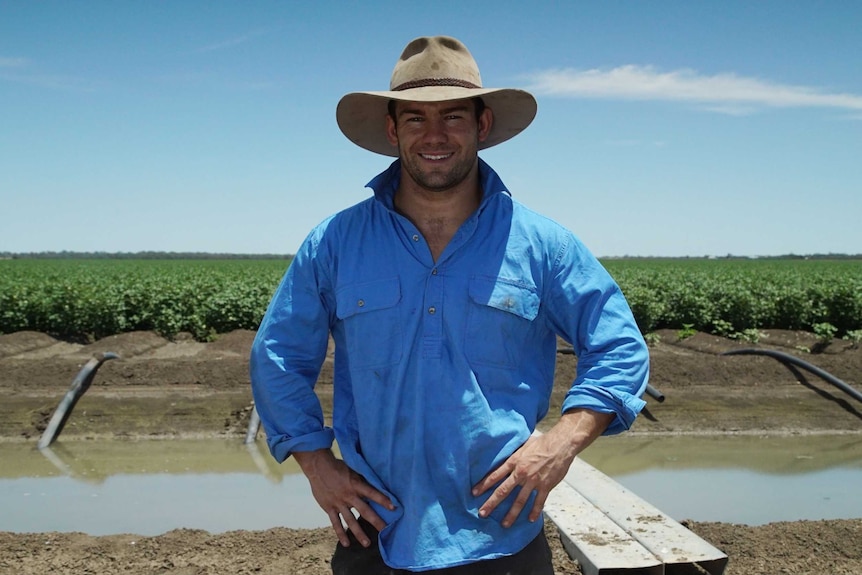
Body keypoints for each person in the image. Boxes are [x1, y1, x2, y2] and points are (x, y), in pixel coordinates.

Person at [250, 35, 649, 574]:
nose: (434, 136)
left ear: (482, 126)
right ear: (393, 130)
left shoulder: (541, 244)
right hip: (377, 533)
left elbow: (619, 347)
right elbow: (277, 357)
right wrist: (317, 465)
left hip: (502, 534)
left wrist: (558, 448)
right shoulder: (336, 242)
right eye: (415, 119)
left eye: (454, 117)